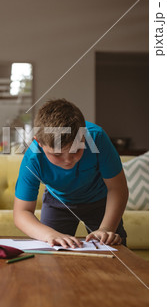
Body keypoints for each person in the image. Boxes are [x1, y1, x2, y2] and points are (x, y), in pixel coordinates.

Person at [13, 99, 128, 249]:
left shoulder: (97, 138)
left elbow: (117, 188)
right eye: (57, 154)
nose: (67, 160)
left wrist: (106, 229)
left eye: (76, 150)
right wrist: (49, 234)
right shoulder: (32, 159)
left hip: (100, 201)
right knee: (52, 254)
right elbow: (22, 212)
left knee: (115, 249)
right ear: (39, 143)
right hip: (58, 202)